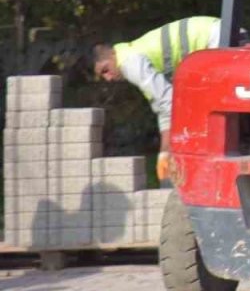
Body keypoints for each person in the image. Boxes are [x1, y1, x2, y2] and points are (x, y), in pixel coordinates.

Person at [93, 16, 222, 182]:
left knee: (214, 113)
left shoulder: (129, 63)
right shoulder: (137, 57)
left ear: (112, 54)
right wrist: (164, 154)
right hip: (218, 36)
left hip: (217, 38)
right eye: (103, 76)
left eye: (105, 70)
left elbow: (169, 101)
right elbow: (165, 108)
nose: (108, 78)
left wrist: (179, 150)